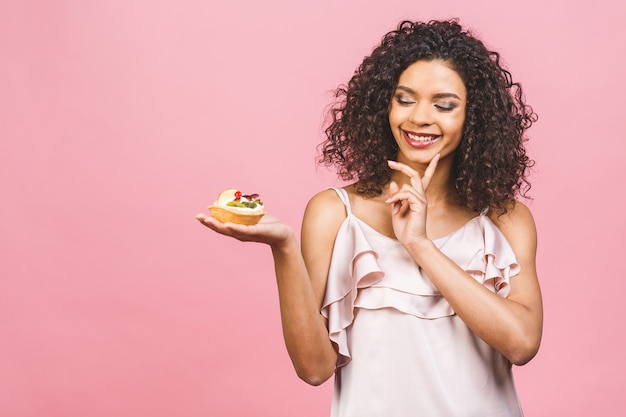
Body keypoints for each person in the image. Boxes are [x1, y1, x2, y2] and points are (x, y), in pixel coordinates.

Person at [196, 19, 543, 417]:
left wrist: (420, 245)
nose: (419, 118)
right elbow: (314, 369)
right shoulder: (334, 213)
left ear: (473, 118)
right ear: (384, 104)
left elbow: (522, 344)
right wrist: (284, 248)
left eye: (444, 105)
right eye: (405, 99)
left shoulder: (505, 220)